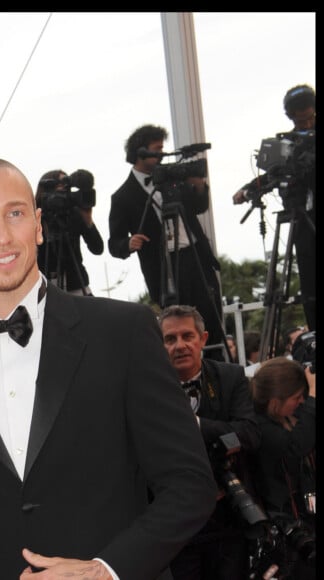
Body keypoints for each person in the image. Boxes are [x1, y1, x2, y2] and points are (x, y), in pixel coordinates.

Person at [0, 156, 217, 580]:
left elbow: (190, 483)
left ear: (38, 224)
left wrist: (107, 569)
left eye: (16, 214)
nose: (2, 237)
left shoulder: (123, 331)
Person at [158, 304, 261, 580]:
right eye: (170, 339)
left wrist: (197, 425)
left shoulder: (230, 377)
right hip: (176, 524)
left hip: (229, 515)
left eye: (187, 336)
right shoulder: (149, 386)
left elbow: (249, 434)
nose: (180, 346)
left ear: (202, 339)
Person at [108, 124, 225, 351]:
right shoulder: (123, 196)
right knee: (179, 324)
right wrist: (129, 244)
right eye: (157, 149)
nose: (162, 154)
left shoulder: (174, 179)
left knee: (210, 320)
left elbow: (199, 207)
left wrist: (199, 186)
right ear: (141, 152)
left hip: (195, 257)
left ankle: (218, 372)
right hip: (164, 268)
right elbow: (114, 244)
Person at [233, 84, 316, 332]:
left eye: (309, 117)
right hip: (301, 219)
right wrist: (248, 190)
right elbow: (276, 173)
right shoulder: (288, 144)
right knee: (310, 283)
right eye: (299, 119)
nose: (305, 123)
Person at [250, 356, 316, 579]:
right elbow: (297, 445)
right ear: (275, 400)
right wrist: (314, 398)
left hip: (303, 519)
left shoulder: (285, 417)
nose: (301, 403)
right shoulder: (259, 427)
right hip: (281, 530)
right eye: (297, 397)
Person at [35, 169, 104, 295]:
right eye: (58, 186)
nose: (62, 191)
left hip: (77, 285)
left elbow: (97, 248)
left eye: (66, 187)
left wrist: (88, 220)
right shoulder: (36, 218)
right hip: (46, 288)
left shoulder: (73, 214)